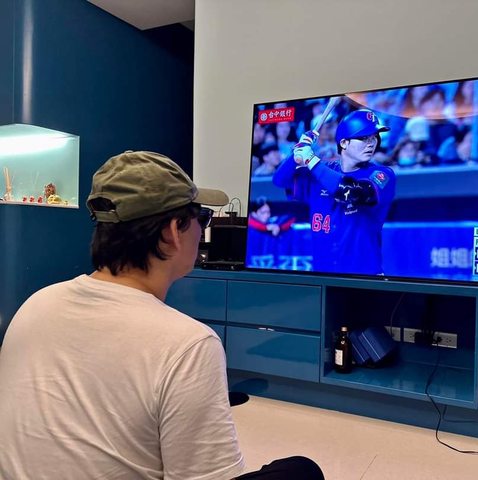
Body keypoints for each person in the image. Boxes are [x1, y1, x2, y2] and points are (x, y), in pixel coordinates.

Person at [0, 150, 324, 480]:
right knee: (302, 472)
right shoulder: (188, 344)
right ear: (172, 232)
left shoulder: (36, 303)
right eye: (202, 217)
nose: (203, 228)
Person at [273, 109, 396, 275]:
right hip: (323, 276)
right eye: (363, 138)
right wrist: (296, 153)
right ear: (344, 143)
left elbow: (351, 192)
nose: (371, 143)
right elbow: (279, 180)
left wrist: (311, 160)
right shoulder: (321, 170)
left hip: (365, 277)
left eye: (374, 137)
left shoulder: (382, 174)